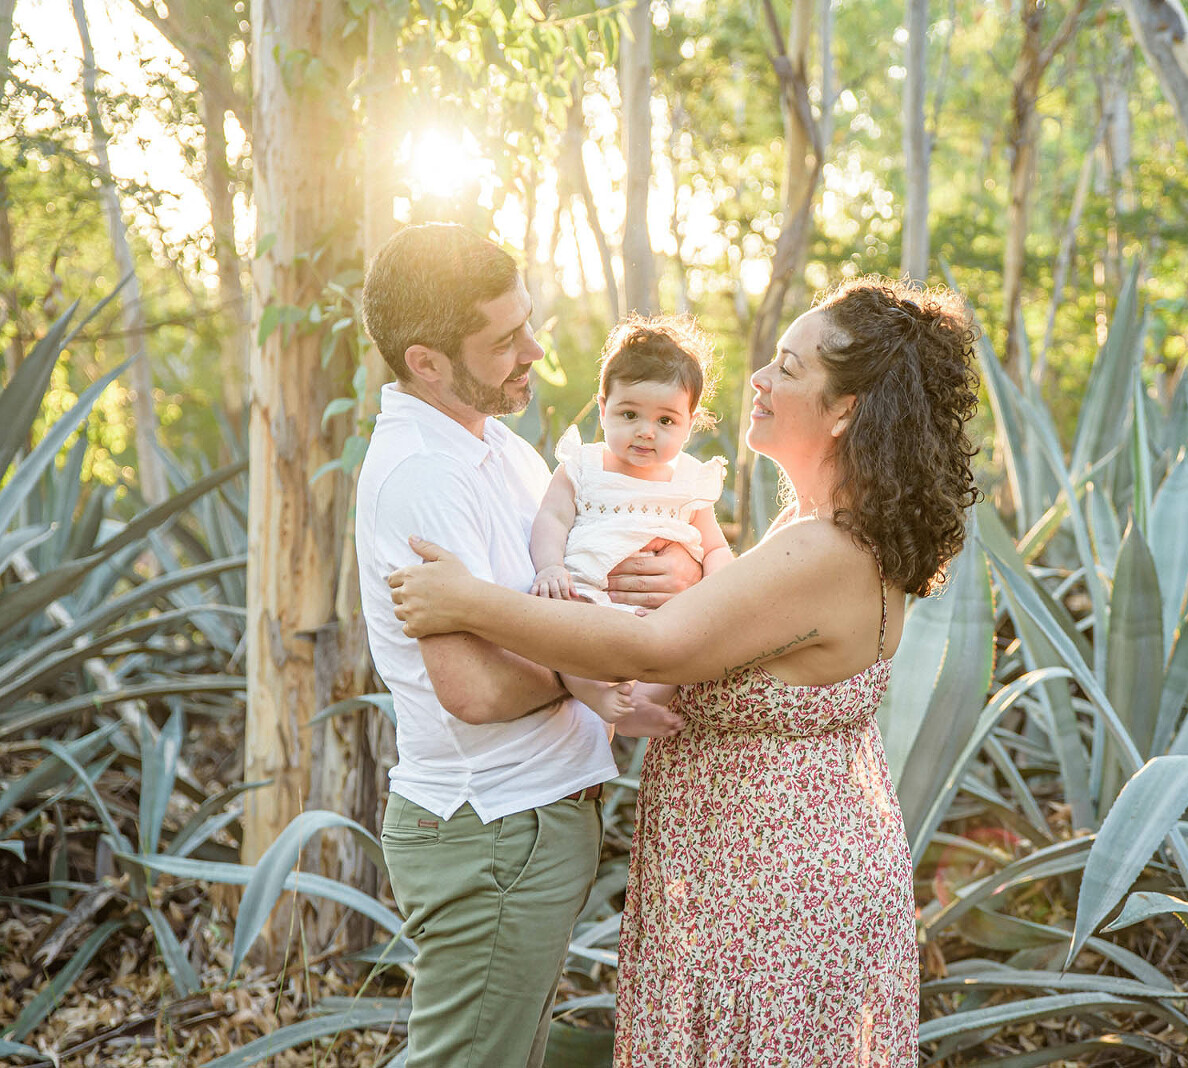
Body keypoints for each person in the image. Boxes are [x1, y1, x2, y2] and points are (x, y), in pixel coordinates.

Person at [389, 276, 981, 1065]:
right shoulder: (811, 529)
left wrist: (467, 602)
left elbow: (652, 650)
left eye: (790, 369)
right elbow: (733, 630)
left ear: (846, 411)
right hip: (752, 882)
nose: (759, 382)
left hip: (776, 899)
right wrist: (696, 587)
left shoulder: (821, 548)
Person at [353, 222, 703, 1068]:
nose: (535, 350)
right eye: (505, 340)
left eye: (528, 322)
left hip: (528, 822)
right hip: (494, 829)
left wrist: (670, 579)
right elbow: (473, 688)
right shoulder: (425, 476)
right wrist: (594, 665)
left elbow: (572, 583)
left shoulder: (495, 445)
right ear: (425, 361)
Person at [530, 315, 733, 724]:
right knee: (567, 642)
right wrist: (551, 566)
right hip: (586, 597)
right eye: (629, 415)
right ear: (603, 409)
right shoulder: (583, 466)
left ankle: (642, 704)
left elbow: (714, 547)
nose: (645, 432)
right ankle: (599, 699)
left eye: (665, 421)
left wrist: (717, 593)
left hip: (660, 617)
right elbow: (551, 519)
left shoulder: (691, 481)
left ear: (689, 424)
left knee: (676, 658)